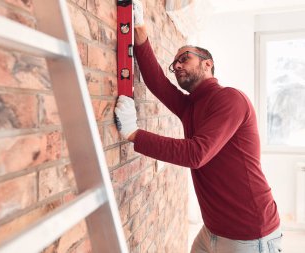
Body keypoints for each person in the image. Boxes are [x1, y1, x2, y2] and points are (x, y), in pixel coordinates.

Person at [114, 1, 282, 252]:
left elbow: (196, 154)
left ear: (208, 63)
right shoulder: (191, 106)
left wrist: (134, 134)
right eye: (175, 64)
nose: (177, 66)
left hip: (251, 235)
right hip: (213, 230)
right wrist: (139, 29)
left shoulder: (230, 99)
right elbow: (158, 82)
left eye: (184, 58)